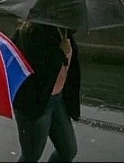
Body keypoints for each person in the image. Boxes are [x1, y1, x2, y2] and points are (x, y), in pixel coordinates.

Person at [11, 21, 81, 162]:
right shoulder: (31, 33)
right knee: (31, 156)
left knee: (68, 151)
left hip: (58, 99)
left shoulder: (63, 29)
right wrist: (59, 53)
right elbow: (34, 72)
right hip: (35, 102)